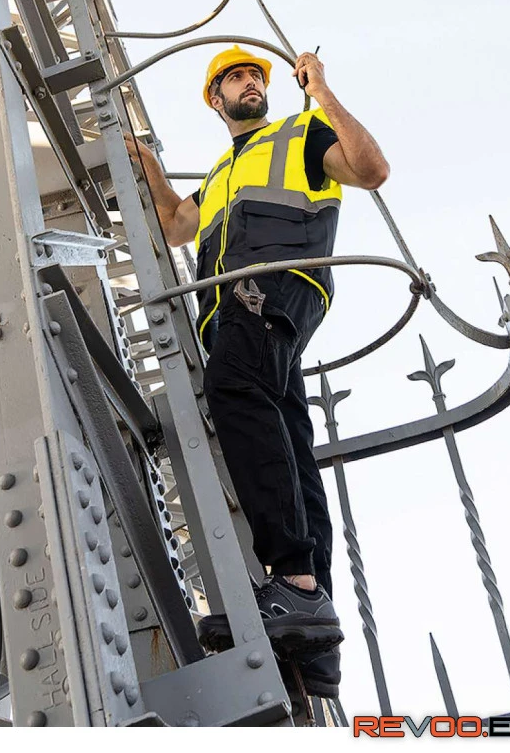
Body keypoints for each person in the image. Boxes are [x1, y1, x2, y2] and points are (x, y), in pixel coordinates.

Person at [124, 46, 389, 698]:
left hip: (273, 285)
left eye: (255, 76)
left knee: (233, 387)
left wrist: (321, 90)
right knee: (293, 445)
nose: (249, 83)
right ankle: (314, 641)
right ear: (215, 98)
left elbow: (371, 170)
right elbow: (177, 224)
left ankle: (294, 580)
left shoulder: (301, 132)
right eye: (235, 78)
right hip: (237, 310)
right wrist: (151, 170)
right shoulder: (219, 173)